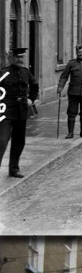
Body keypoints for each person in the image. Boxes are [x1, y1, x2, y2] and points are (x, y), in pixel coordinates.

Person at [0, 47, 39, 178]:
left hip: (21, 112)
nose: (20, 60)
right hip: (5, 112)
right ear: (12, 58)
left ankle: (14, 169)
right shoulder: (3, 73)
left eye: (22, 57)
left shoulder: (26, 73)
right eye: (18, 57)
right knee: (2, 140)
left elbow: (35, 86)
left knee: (19, 141)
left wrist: (31, 99)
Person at [57, 45, 82, 139]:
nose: (81, 54)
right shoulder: (71, 64)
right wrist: (60, 87)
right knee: (71, 112)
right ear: (76, 53)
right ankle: (70, 133)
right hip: (74, 92)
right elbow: (64, 76)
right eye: (79, 52)